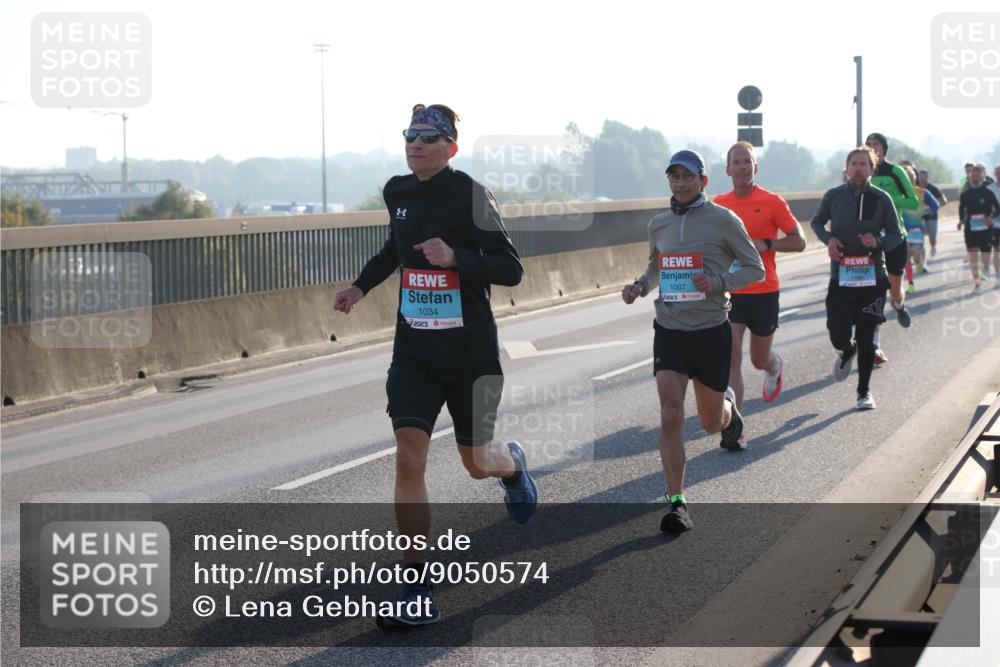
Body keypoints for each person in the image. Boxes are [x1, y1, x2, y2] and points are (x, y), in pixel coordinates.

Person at [334, 103, 537, 626]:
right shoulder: (397, 192)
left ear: (451, 147)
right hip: (416, 354)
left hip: (470, 355)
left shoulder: (471, 194)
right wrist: (360, 286)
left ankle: (510, 466)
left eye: (429, 136)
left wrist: (456, 258)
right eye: (411, 134)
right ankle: (416, 583)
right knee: (408, 458)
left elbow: (510, 268)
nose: (416, 143)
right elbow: (394, 249)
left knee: (476, 464)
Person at [622, 149, 763, 532]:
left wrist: (718, 282)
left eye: (688, 177)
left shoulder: (723, 220)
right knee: (670, 414)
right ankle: (677, 501)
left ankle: (730, 413)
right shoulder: (659, 224)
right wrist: (640, 285)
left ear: (703, 181)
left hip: (710, 331)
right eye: (674, 176)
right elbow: (657, 265)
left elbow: (755, 267)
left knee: (709, 423)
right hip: (670, 329)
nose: (680, 183)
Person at [715, 141, 806, 449]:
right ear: (727, 169)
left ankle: (773, 365)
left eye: (747, 161)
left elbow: (800, 241)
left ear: (756, 167)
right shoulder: (718, 205)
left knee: (757, 359)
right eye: (736, 162)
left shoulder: (772, 202)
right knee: (732, 358)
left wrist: (768, 244)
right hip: (732, 290)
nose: (741, 167)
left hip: (765, 291)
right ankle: (734, 427)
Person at [811, 146, 903, 411]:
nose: (859, 168)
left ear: (872, 169)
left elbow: (896, 234)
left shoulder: (881, 198)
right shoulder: (834, 196)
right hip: (841, 275)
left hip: (872, 278)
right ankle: (845, 349)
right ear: (847, 168)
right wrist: (829, 240)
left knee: (866, 337)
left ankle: (863, 392)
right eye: (854, 163)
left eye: (864, 164)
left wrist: (878, 241)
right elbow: (817, 223)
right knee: (838, 332)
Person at [864, 133, 917, 366]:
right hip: (868, 241)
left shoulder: (895, 172)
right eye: (869, 145)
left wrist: (889, 197)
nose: (873, 148)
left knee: (893, 289)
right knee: (875, 291)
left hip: (895, 238)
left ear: (884, 150)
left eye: (876, 145)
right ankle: (874, 344)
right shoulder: (860, 172)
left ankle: (899, 302)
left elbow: (913, 202)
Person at [958, 163, 1000, 293]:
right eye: (972, 176)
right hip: (971, 229)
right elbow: (961, 209)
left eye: (977, 176)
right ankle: (977, 284)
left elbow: (998, 209)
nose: (975, 178)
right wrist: (961, 220)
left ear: (983, 177)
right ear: (969, 178)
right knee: (973, 255)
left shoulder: (988, 193)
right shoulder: (965, 194)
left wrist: (990, 217)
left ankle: (986, 267)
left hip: (986, 229)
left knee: (985, 258)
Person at [916, 169, 947, 259]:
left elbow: (944, 201)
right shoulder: (915, 188)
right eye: (920, 176)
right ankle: (920, 254)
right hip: (919, 218)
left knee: (932, 237)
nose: (922, 178)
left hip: (931, 217)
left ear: (927, 177)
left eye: (924, 176)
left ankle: (933, 246)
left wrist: (933, 206)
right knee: (918, 237)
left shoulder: (933, 189)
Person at [988, 164, 1000, 284]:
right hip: (995, 224)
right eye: (998, 173)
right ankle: (998, 276)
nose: (999, 175)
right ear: (995, 174)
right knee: (997, 250)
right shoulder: (990, 189)